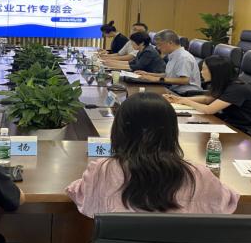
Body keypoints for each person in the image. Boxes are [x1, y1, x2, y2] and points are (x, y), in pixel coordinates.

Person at [66, 92, 239, 217]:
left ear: (119, 130)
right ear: (172, 131)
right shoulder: (198, 174)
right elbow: (228, 200)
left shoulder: (102, 170)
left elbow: (79, 193)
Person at [164, 55, 251, 128]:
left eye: (204, 69)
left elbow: (209, 110)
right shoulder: (223, 83)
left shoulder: (237, 88)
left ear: (215, 72)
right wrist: (179, 99)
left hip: (245, 129)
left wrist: (185, 101)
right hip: (228, 122)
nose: (201, 72)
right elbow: (207, 99)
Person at [134, 29, 202, 95]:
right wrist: (148, 74)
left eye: (159, 44)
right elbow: (168, 75)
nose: (158, 48)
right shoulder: (173, 55)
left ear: (170, 43)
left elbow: (184, 80)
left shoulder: (183, 57)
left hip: (186, 94)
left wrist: (157, 79)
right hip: (175, 90)